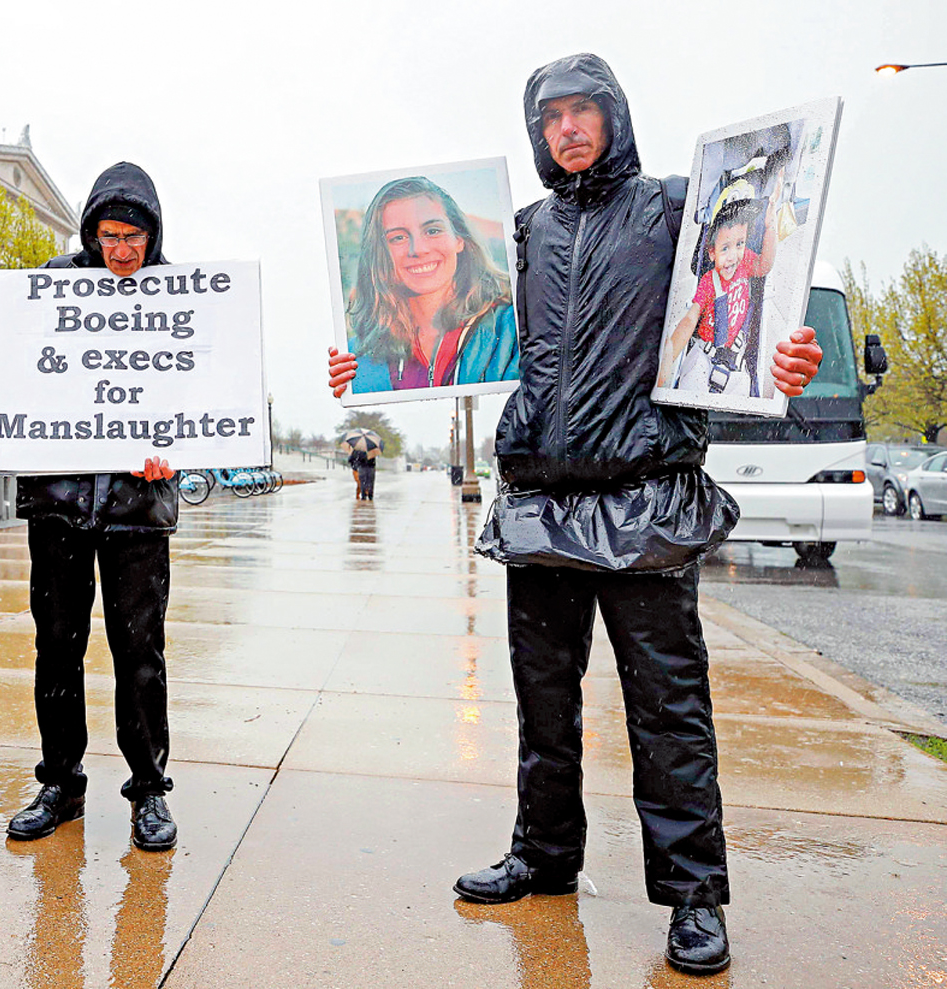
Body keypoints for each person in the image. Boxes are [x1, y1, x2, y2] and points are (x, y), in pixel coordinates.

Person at [327, 54, 822, 976]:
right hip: (543, 501)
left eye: (582, 110)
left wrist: (783, 356)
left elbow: (746, 301)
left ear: (613, 115)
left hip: (648, 496)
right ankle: (544, 856)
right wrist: (367, 366)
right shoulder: (525, 229)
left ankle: (693, 895)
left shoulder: (676, 207)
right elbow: (457, 339)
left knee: (667, 710)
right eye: (549, 115)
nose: (566, 128)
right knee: (543, 705)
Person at [0, 161, 180, 853]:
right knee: (57, 646)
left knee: (141, 653)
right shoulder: (47, 286)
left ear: (153, 235)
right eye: (110, 235)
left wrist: (177, 447)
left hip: (141, 505)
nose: (121, 251)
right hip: (58, 502)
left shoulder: (179, 296)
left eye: (134, 237)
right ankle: (62, 782)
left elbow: (199, 396)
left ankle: (148, 790)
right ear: (91, 230)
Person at [341, 176, 519, 394]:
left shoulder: (513, 331)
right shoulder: (354, 357)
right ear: (379, 254)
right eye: (398, 238)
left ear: (459, 240)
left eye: (432, 230)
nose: (418, 249)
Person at [658, 196, 780, 396]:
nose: (733, 256)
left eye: (739, 244)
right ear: (712, 253)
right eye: (725, 248)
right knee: (691, 386)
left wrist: (771, 228)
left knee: (742, 394)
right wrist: (668, 358)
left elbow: (765, 264)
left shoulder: (746, 262)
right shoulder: (708, 282)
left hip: (735, 356)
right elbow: (690, 320)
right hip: (704, 353)